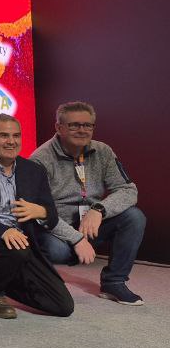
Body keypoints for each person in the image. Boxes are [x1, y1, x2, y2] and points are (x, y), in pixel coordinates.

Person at [0, 115, 73, 319]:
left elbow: (52, 216)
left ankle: (6, 282)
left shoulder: (34, 171)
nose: (11, 141)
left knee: (62, 305)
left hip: (25, 244)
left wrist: (41, 212)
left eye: (16, 136)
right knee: (17, 249)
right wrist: (3, 231)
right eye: (4, 136)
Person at [30, 102, 145, 305]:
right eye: (74, 125)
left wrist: (99, 209)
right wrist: (76, 239)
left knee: (134, 217)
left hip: (90, 224)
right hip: (56, 228)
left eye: (87, 125)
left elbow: (128, 190)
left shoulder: (103, 151)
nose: (82, 130)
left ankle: (114, 283)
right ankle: (37, 281)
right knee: (56, 250)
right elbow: (41, 211)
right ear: (59, 127)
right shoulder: (40, 159)